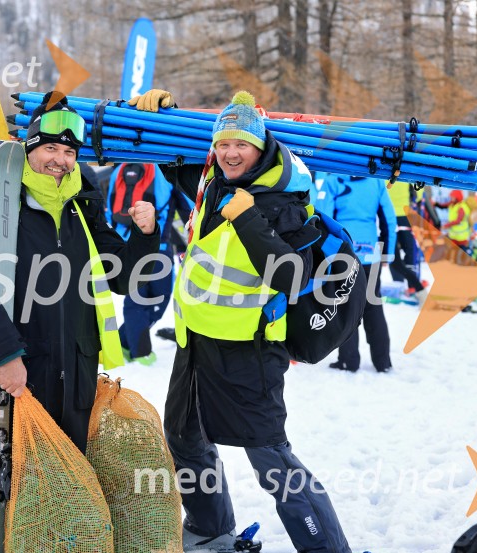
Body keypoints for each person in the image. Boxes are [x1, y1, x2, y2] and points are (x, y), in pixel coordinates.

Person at [132, 89, 353, 553]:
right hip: (196, 341)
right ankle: (211, 526)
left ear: (260, 147)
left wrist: (250, 219)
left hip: (249, 349)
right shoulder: (215, 181)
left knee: (271, 458)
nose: (231, 153)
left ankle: (327, 548)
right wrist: (161, 113)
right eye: (223, 143)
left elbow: (292, 277)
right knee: (183, 436)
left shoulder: (284, 200)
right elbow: (176, 160)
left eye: (242, 145)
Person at [0, 92, 160, 553]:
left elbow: (122, 275)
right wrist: (5, 353)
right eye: (50, 150)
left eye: (68, 152)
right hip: (6, 371)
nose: (59, 161)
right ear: (29, 148)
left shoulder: (83, 205)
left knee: (60, 483)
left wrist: (145, 236)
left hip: (73, 370)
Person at [105, 162, 193, 364]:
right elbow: (186, 208)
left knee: (138, 296)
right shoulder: (165, 171)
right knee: (154, 300)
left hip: (123, 244)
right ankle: (141, 351)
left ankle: (123, 343)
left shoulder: (118, 171)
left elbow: (110, 209)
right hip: (157, 244)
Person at [318, 173, 396, 372]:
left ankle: (348, 361)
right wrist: (388, 251)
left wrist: (323, 255)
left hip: (344, 254)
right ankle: (383, 362)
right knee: (373, 305)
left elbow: (322, 218)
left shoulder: (332, 180)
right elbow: (389, 219)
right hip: (371, 254)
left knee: (346, 308)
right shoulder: (377, 181)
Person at [386, 181, 427, 302]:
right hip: (405, 215)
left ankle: (398, 283)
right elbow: (419, 194)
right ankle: (412, 286)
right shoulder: (407, 173)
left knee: (393, 252)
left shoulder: (383, 174)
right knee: (410, 250)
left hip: (388, 215)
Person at [436, 189, 471, 254]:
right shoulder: (452, 204)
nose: (451, 198)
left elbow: (458, 221)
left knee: (461, 252)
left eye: (453, 197)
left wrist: (445, 226)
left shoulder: (461, 207)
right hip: (453, 235)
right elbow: (444, 206)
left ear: (457, 197)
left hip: (461, 237)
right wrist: (436, 204)